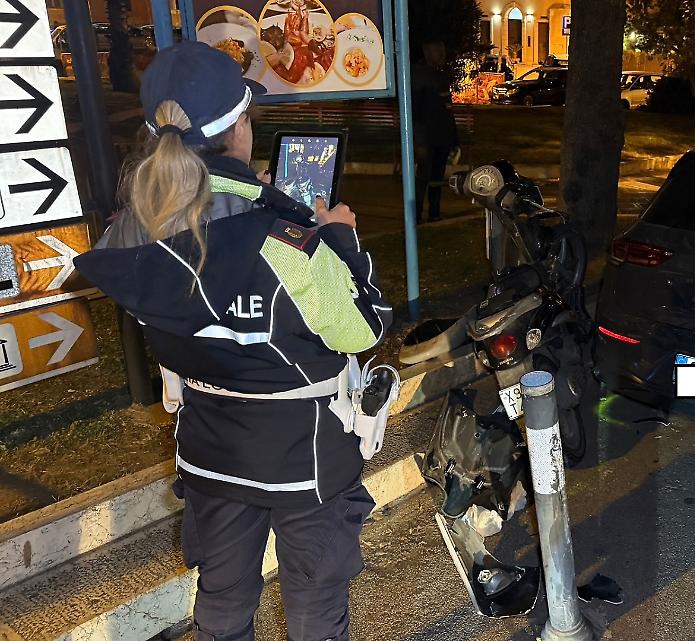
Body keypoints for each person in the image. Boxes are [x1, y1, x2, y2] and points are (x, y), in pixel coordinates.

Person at [74, 42, 392, 641]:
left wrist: (253, 195)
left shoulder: (130, 237)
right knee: (315, 611)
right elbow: (363, 328)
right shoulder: (286, 242)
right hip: (305, 459)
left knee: (221, 604)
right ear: (240, 127)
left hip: (209, 451)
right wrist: (341, 240)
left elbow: (203, 262)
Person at [412, 39, 460, 224]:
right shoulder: (421, 77)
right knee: (424, 177)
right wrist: (420, 139)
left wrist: (454, 138)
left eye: (443, 50)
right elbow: (418, 112)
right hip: (427, 137)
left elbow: (447, 110)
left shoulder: (438, 76)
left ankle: (433, 212)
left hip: (441, 137)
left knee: (436, 177)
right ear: (426, 52)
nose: (442, 55)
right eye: (437, 50)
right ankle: (418, 214)